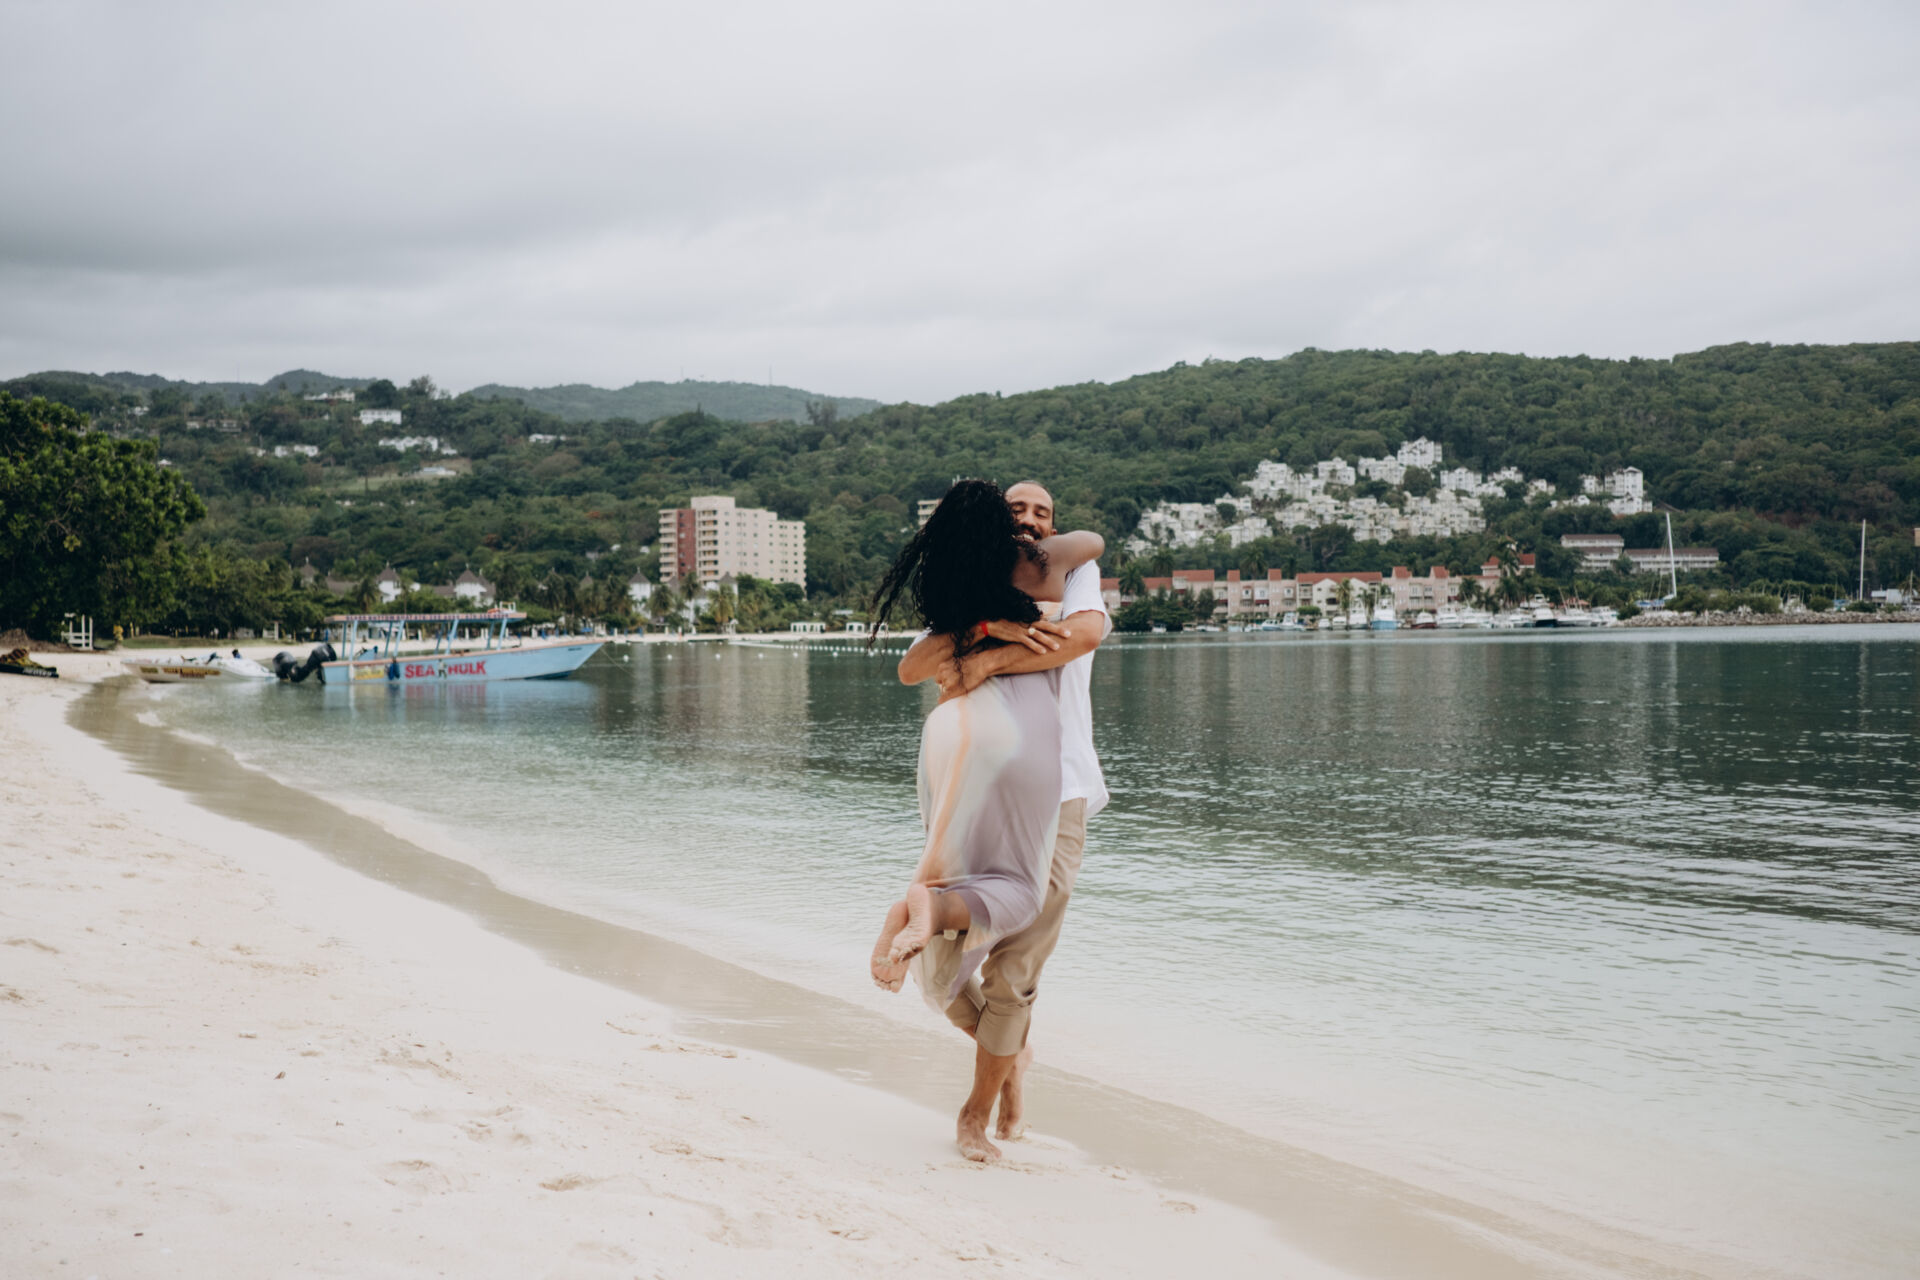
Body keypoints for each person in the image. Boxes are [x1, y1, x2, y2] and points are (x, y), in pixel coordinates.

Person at [866, 479, 1105, 1162]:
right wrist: (982, 627)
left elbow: (1082, 636)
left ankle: (977, 1112)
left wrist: (990, 659)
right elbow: (915, 665)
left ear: (1054, 526)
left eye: (1042, 512)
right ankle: (1013, 1056)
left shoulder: (1073, 574)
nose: (1029, 520)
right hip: (976, 791)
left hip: (1061, 792)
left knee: (1015, 971)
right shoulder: (974, 582)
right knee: (941, 957)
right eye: (1016, 510)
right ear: (998, 525)